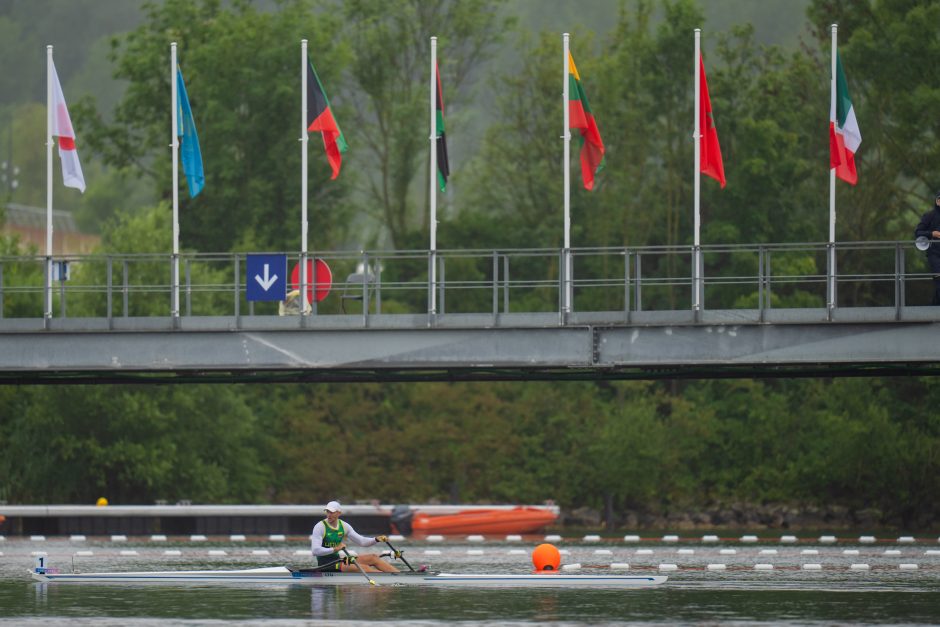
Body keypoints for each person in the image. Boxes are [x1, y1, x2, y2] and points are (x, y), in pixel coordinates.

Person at [310, 501, 399, 573]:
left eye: (332, 512)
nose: (329, 514)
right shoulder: (320, 526)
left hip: (338, 560)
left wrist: (376, 539)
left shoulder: (344, 526)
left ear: (339, 513)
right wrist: (334, 549)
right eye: (327, 511)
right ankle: (387, 580)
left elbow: (362, 541)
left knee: (373, 557)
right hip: (326, 564)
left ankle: (399, 575)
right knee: (364, 568)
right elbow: (315, 551)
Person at [914, 191, 940, 304]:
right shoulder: (929, 215)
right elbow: (918, 232)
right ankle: (933, 309)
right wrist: (932, 234)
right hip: (934, 254)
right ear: (937, 201)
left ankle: (933, 308)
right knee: (939, 280)